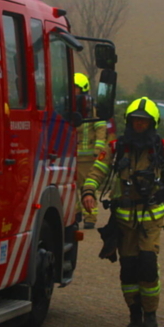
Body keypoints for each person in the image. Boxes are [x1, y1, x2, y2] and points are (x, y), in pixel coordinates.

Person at [81, 97, 164, 327]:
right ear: (129, 121)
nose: (139, 125)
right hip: (124, 221)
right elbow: (98, 171)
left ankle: (151, 314)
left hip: (151, 220)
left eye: (143, 122)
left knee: (147, 265)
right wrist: (88, 190)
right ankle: (135, 315)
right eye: (135, 121)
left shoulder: (163, 148)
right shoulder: (117, 147)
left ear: (152, 123)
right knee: (128, 268)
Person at [74, 73, 107, 229]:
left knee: (87, 187)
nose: (73, 92)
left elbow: (100, 129)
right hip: (71, 158)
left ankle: (90, 217)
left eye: (75, 88)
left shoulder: (91, 110)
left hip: (88, 159)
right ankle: (75, 214)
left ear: (83, 90)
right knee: (72, 189)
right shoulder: (68, 109)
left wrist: (98, 149)